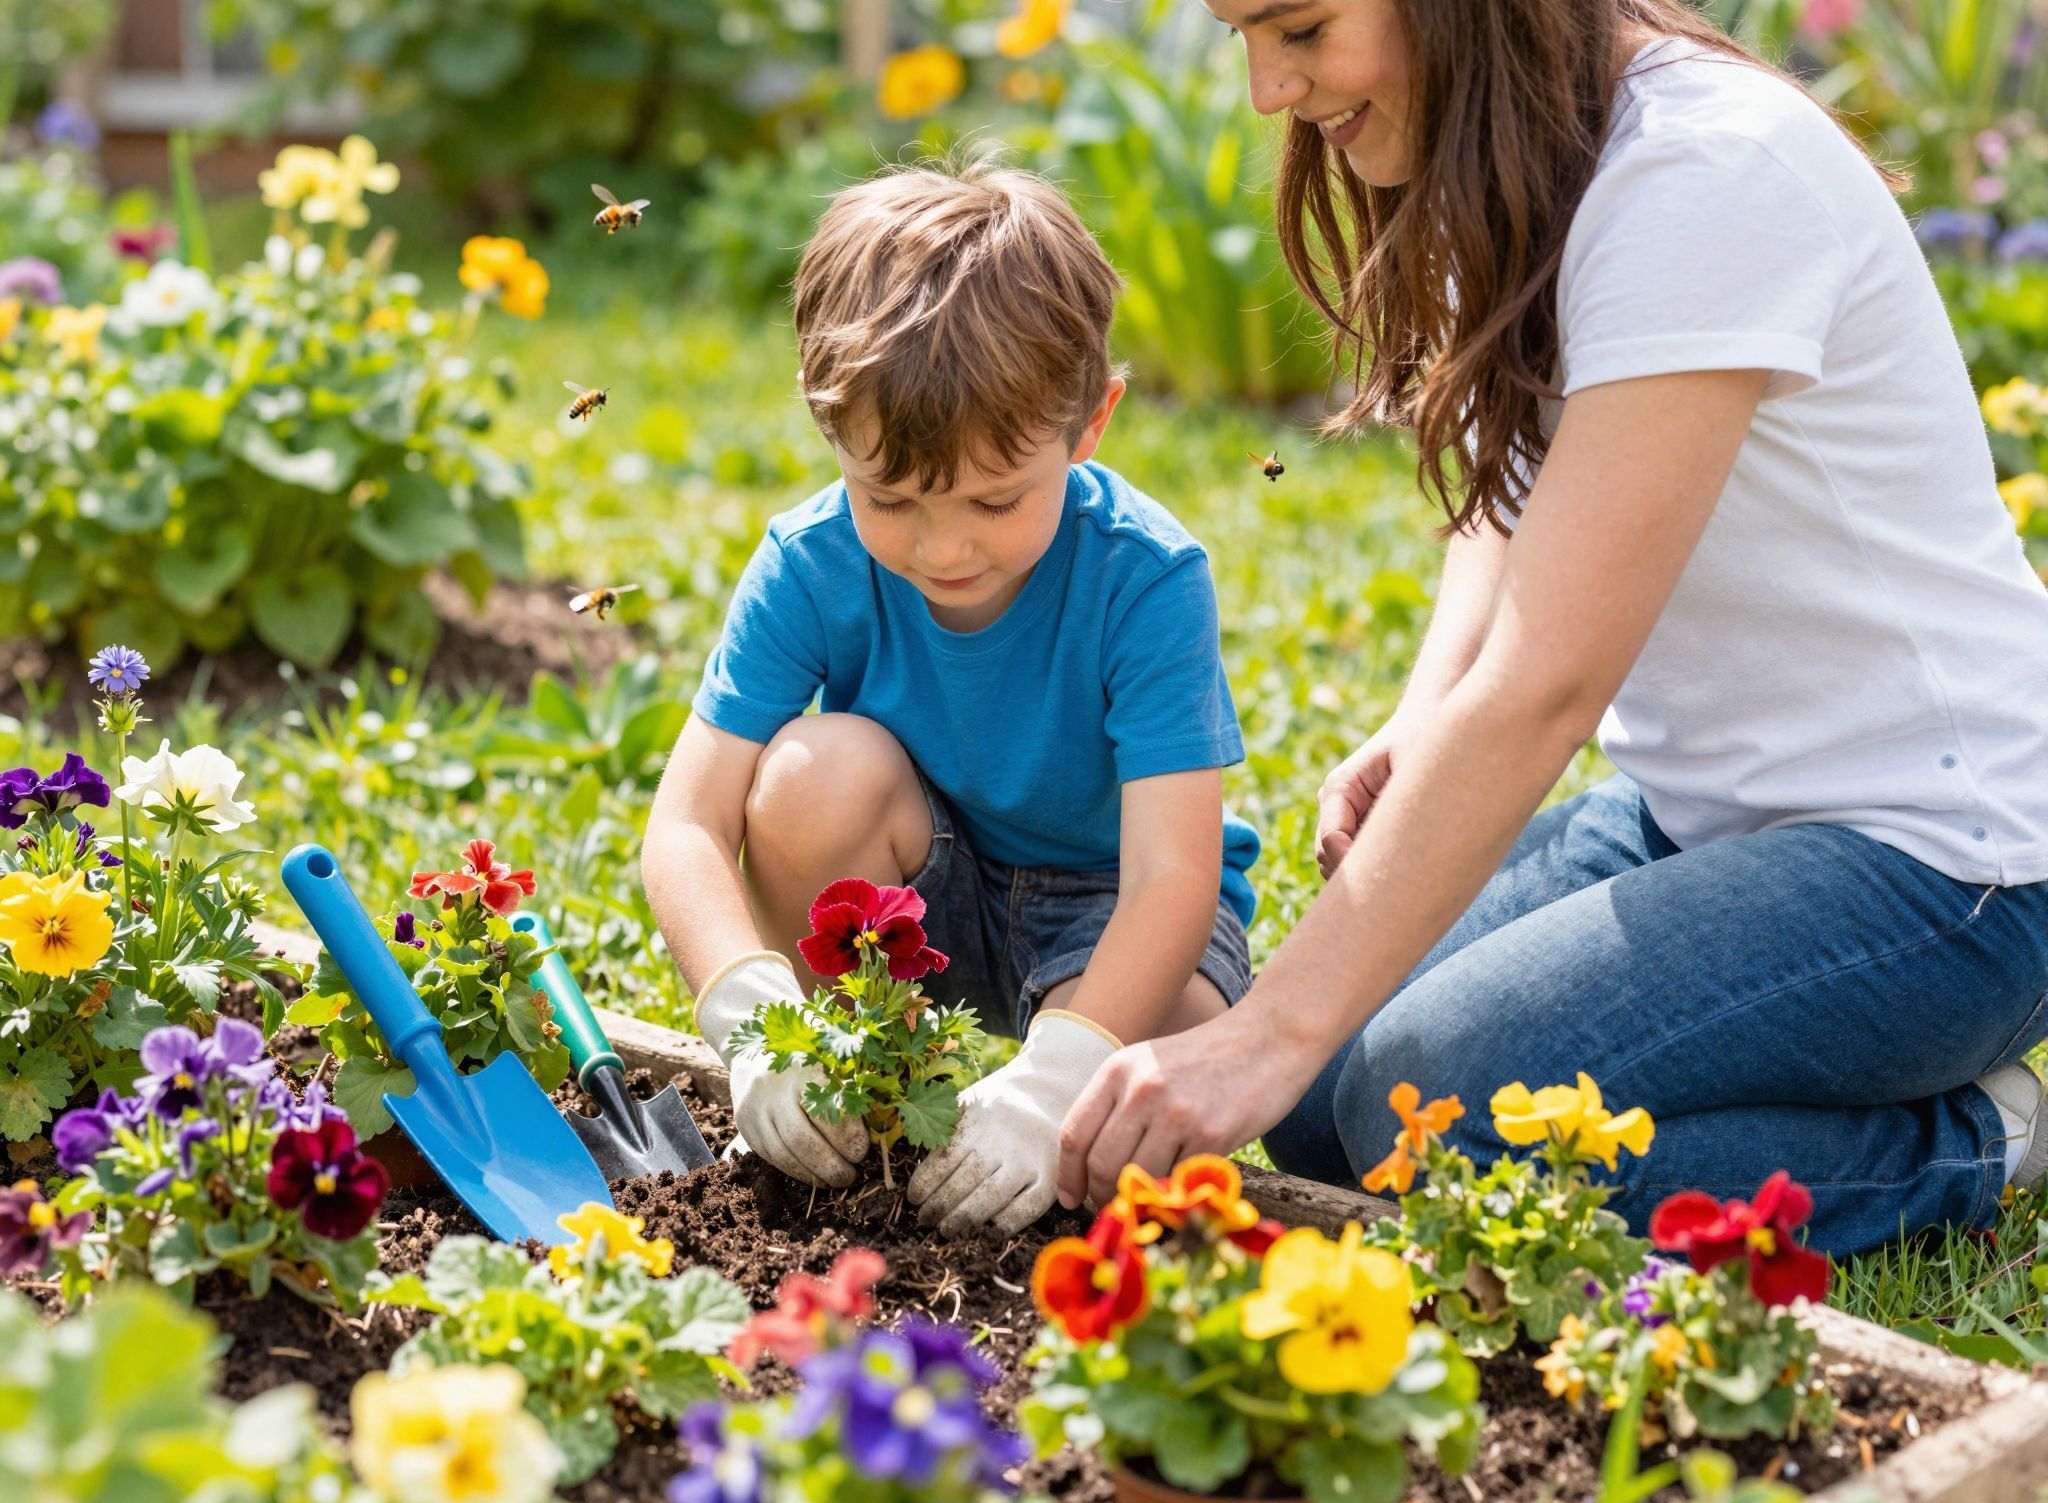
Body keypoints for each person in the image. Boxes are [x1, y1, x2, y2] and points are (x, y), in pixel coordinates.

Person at [1055, 0, 2048, 1254]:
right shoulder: (1507, 148)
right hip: (1700, 816)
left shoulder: (1701, 173)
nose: (1266, 89)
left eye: (1299, 28)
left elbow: (1548, 683)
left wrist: (1264, 1033)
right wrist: (1424, 715)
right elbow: (1515, 497)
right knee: (1321, 1111)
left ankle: (1980, 1141)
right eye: (1240, 35)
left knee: (1438, 1118)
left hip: (1950, 864)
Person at [641, 159, 1260, 1236]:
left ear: (1090, 424)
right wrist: (749, 1022)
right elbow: (686, 823)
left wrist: (1058, 1077)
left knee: (1152, 1080)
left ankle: (1041, 1072)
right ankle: (844, 1087)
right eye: (889, 498)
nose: (943, 549)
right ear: (828, 428)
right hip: (926, 885)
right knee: (806, 777)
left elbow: (1173, 879)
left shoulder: (1144, 576)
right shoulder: (809, 562)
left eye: (994, 501)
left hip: (1114, 906)